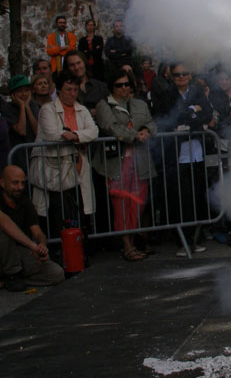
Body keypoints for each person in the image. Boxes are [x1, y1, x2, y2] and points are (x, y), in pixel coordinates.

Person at [93, 70, 157, 262]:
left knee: (138, 203)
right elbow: (110, 127)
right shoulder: (104, 105)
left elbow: (151, 122)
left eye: (126, 84)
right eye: (119, 85)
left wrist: (147, 131)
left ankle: (133, 241)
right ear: (112, 87)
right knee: (120, 205)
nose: (124, 88)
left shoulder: (140, 104)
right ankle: (127, 246)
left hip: (139, 162)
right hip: (116, 163)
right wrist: (135, 136)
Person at [30, 70, 99, 237]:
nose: (72, 93)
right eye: (68, 89)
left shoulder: (82, 109)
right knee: (55, 214)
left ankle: (80, 244)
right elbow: (52, 134)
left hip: (77, 166)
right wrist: (79, 136)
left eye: (75, 89)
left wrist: (74, 135)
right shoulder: (47, 109)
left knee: (79, 211)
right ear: (59, 90)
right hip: (53, 169)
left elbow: (94, 131)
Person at [160, 63, 213, 256]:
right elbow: (168, 118)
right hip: (177, 155)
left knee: (198, 197)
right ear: (171, 77)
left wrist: (188, 116)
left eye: (184, 73)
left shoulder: (198, 91)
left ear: (190, 75)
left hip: (197, 153)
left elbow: (207, 114)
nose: (181, 77)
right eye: (177, 74)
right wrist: (193, 111)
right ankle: (183, 241)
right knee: (182, 201)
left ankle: (196, 239)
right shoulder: (167, 94)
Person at [0, 165, 64, 291]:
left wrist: (41, 246)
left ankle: (11, 279)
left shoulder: (25, 202)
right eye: (15, 183)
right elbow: (5, 223)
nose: (20, 187)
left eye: (23, 183)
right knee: (3, 234)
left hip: (20, 252)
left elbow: (37, 231)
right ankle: (12, 275)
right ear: (2, 183)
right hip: (4, 253)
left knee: (57, 274)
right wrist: (32, 245)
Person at [63, 50, 109, 118]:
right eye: (72, 65)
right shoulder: (65, 91)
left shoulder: (101, 86)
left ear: (84, 63)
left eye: (78, 63)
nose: (76, 67)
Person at [3, 75, 40, 148]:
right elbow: (22, 131)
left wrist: (27, 107)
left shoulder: (33, 104)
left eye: (26, 90)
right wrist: (22, 106)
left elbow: (37, 130)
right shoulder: (7, 108)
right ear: (12, 94)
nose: (24, 94)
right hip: (17, 152)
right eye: (19, 91)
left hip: (34, 151)